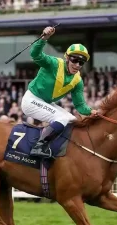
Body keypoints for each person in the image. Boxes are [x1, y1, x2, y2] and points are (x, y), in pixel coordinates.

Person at [24, 26, 99, 159]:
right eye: (74, 60)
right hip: (31, 100)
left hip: (46, 103)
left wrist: (91, 112)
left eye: (81, 62)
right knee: (62, 118)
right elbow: (35, 55)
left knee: (72, 120)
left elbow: (80, 105)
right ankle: (39, 147)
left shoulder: (78, 80)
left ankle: (59, 149)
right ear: (67, 58)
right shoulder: (53, 63)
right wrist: (44, 38)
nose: (77, 65)